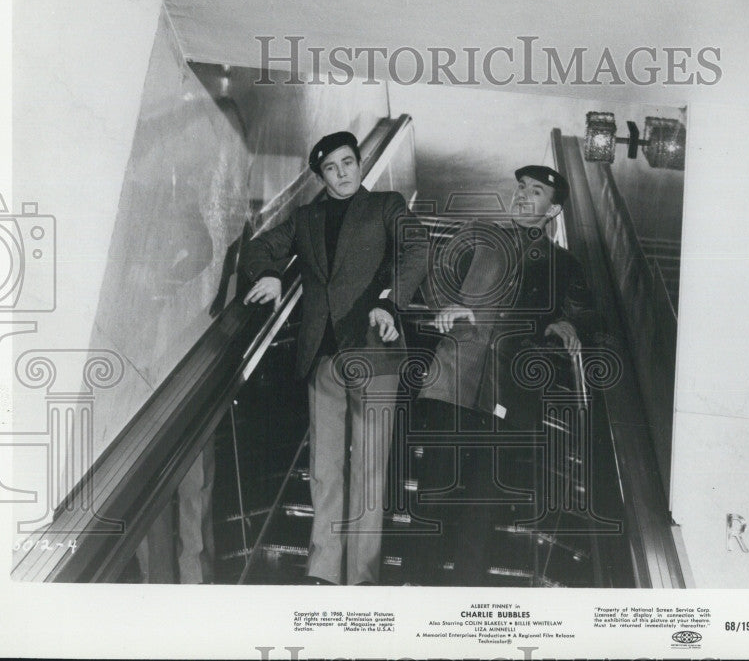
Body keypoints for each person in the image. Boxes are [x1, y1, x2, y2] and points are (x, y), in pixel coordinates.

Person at [241, 131, 427, 585]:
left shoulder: (386, 206)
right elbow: (260, 246)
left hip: (373, 352)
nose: (343, 173)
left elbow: (418, 249)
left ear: (360, 164)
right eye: (332, 168)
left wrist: (390, 300)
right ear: (320, 176)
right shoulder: (305, 218)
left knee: (369, 469)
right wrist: (270, 275)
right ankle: (323, 570)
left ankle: (361, 576)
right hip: (322, 357)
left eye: (348, 163)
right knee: (324, 470)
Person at [418, 165, 597, 584]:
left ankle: (466, 594)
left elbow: (585, 317)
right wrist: (446, 305)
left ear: (553, 212)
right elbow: (433, 283)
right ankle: (417, 585)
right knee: (433, 490)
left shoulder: (564, 265)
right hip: (453, 381)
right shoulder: (479, 235)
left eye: (535, 192)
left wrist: (567, 325)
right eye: (520, 188)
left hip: (509, 394)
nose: (522, 195)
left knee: (482, 503)